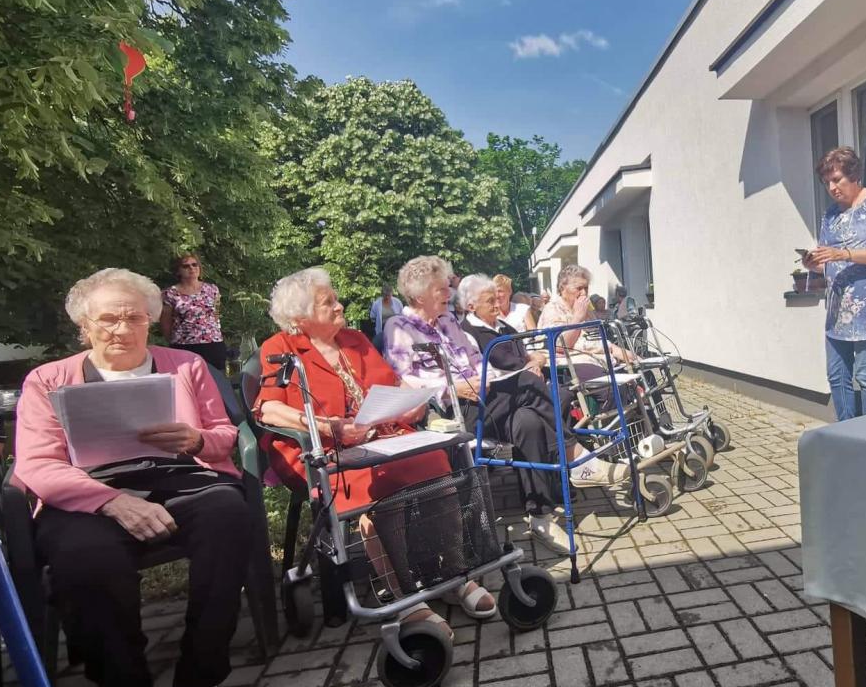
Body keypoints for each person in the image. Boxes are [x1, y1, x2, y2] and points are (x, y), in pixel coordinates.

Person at [15, 268, 249, 687]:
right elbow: (36, 464)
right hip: (87, 492)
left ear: (151, 321)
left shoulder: (186, 365)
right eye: (108, 319)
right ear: (84, 325)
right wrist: (112, 502)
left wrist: (195, 440)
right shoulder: (48, 380)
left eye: (134, 318)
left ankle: (197, 684)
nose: (122, 330)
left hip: (179, 477)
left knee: (228, 514)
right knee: (82, 557)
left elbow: (223, 435)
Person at [254, 268, 495, 632]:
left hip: (383, 437)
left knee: (435, 463)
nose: (340, 306)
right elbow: (268, 409)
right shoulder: (280, 348)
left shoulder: (354, 339)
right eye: (328, 303)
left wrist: (412, 402)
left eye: (336, 298)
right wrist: (327, 426)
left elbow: (392, 384)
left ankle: (452, 574)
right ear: (300, 318)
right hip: (327, 450)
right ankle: (402, 596)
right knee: (377, 486)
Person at [384, 257, 617, 553]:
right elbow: (405, 381)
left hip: (484, 399)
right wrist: (452, 388)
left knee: (528, 423)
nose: (449, 293)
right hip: (449, 413)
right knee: (530, 383)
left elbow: (477, 360)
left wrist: (490, 379)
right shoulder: (399, 328)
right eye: (441, 289)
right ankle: (576, 458)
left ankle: (540, 517)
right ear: (420, 296)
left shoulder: (448, 322)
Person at [803, 146, 866, 421]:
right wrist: (814, 264)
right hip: (838, 309)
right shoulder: (830, 215)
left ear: (854, 175)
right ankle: (845, 432)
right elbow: (829, 259)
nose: (832, 188)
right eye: (827, 182)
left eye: (837, 179)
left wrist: (844, 254)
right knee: (836, 375)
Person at [539, 265, 636, 414]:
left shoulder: (588, 311)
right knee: (614, 388)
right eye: (579, 288)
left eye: (586, 288)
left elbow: (596, 339)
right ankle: (612, 427)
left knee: (642, 371)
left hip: (600, 359)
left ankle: (655, 422)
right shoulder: (553, 309)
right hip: (572, 363)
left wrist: (619, 351)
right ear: (563, 287)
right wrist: (577, 317)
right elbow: (560, 346)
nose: (584, 293)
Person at [160, 253, 228, 371]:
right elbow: (165, 323)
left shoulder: (213, 289)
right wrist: (174, 340)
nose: (191, 268)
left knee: (216, 379)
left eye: (194, 264)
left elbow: (216, 314)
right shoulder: (170, 293)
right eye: (186, 266)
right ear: (178, 271)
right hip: (184, 346)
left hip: (213, 344)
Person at [368, 285, 404, 354]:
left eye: (388, 295)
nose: (387, 297)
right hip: (382, 330)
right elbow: (372, 316)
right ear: (382, 294)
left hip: (396, 330)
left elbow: (402, 315)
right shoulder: (377, 304)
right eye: (385, 295)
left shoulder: (397, 302)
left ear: (391, 294)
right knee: (375, 344)